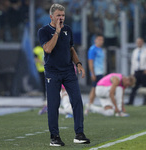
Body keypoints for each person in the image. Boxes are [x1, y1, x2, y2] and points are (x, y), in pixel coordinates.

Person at [38, 3, 90, 146]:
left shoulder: (68, 29)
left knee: (77, 101)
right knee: (54, 105)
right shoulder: (43, 31)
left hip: (68, 71)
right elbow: (48, 49)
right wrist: (57, 32)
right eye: (58, 16)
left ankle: (79, 134)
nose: (61, 18)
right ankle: (54, 137)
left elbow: (71, 48)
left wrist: (78, 64)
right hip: (52, 72)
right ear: (51, 17)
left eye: (63, 15)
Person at [126, 38, 146, 106]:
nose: (139, 43)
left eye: (140, 42)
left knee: (145, 87)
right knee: (134, 87)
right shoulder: (135, 51)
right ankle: (131, 101)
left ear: (143, 42)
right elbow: (133, 62)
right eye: (138, 42)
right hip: (136, 71)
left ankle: (145, 101)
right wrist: (132, 73)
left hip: (144, 71)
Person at [85, 34, 105, 115]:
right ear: (95, 40)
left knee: (96, 88)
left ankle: (90, 105)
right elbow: (90, 62)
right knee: (94, 88)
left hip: (101, 72)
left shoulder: (101, 49)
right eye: (99, 39)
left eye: (102, 40)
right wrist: (92, 73)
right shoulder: (92, 49)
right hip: (96, 72)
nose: (101, 41)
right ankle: (89, 105)